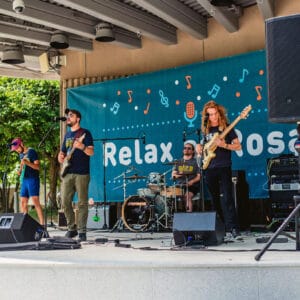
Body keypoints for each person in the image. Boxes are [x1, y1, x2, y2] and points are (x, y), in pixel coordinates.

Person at [197, 100, 241, 237]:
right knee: (214, 199)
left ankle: (234, 228)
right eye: (210, 114)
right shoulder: (205, 130)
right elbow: (203, 147)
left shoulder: (227, 128)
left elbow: (238, 146)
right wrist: (199, 149)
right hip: (209, 167)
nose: (213, 117)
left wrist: (224, 145)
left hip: (223, 166)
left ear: (219, 113)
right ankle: (220, 228)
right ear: (207, 116)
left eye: (215, 113)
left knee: (228, 197)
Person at [58, 108, 94, 241]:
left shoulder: (85, 133)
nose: (68, 117)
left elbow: (91, 152)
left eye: (71, 115)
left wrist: (82, 147)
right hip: (67, 172)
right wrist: (60, 157)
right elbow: (62, 153)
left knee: (82, 203)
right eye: (67, 115)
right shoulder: (67, 135)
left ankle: (82, 232)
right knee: (64, 201)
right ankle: (71, 228)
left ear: (77, 119)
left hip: (82, 173)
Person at [10, 137, 45, 225]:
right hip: (24, 180)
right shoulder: (21, 154)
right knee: (23, 202)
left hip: (33, 179)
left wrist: (27, 163)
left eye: (17, 148)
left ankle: (42, 224)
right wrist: (20, 170)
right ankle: (24, 224)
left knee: (35, 201)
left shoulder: (31, 152)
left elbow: (37, 167)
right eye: (15, 150)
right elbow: (22, 163)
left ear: (21, 144)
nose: (17, 151)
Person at [172, 140, 201, 212]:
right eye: (185, 148)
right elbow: (173, 175)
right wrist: (180, 174)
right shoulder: (178, 162)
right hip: (180, 185)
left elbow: (199, 176)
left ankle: (189, 216)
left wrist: (192, 181)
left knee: (187, 196)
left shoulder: (196, 162)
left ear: (193, 151)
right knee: (169, 195)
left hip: (192, 186)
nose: (186, 149)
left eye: (189, 148)